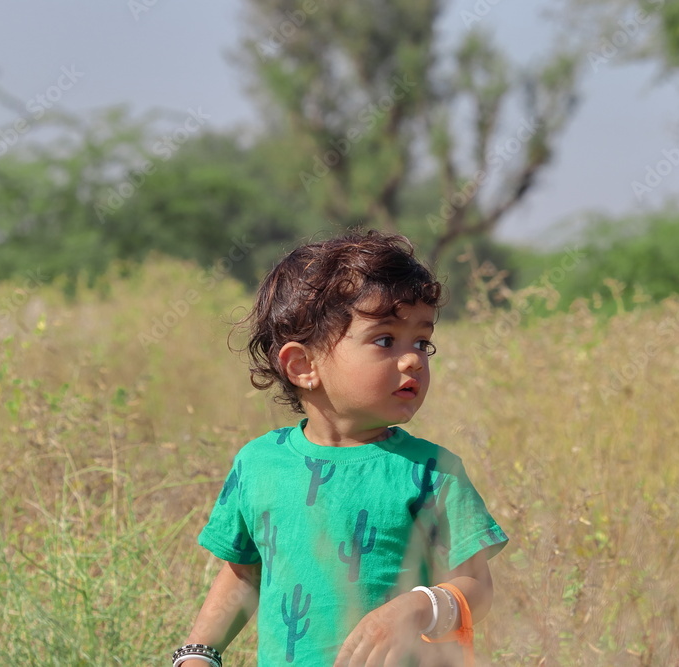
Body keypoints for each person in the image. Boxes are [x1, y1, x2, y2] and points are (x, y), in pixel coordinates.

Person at [174, 230, 508, 666]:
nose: (413, 360)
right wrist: (199, 653)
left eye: (422, 342)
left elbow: (477, 587)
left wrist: (417, 607)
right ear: (303, 366)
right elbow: (245, 573)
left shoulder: (432, 471)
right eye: (386, 340)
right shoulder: (259, 464)